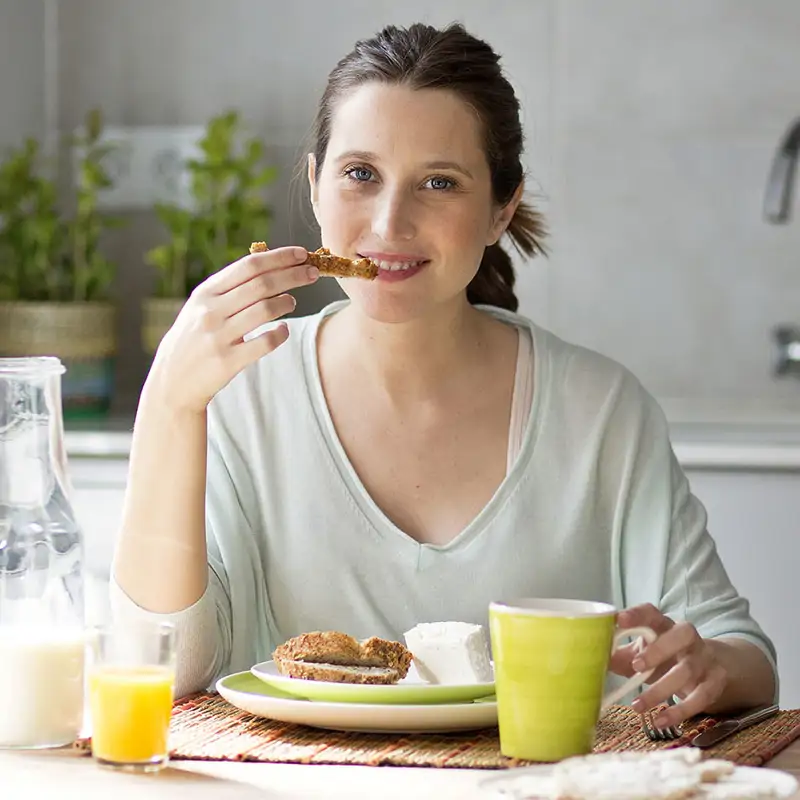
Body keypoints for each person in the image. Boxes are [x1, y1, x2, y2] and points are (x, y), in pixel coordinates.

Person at [111, 22, 777, 728]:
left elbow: (746, 657)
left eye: (439, 183)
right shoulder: (241, 391)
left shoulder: (601, 409)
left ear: (502, 209)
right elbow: (165, 670)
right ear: (314, 184)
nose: (390, 223)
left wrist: (710, 666)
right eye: (360, 174)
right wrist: (169, 405)